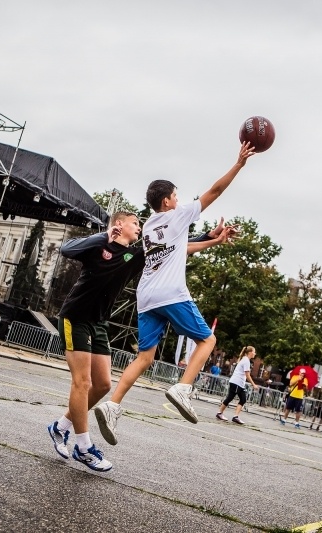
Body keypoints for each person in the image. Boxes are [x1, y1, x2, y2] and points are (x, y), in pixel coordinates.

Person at [92, 142, 256, 444]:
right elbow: (216, 191)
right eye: (176, 196)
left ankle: (112, 405)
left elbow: (182, 249)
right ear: (167, 201)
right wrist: (239, 164)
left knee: (144, 357)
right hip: (170, 293)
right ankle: (183, 388)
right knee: (208, 339)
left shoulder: (152, 226)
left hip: (146, 297)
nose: (179, 199)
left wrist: (213, 242)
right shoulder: (178, 215)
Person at [47, 211, 231, 471]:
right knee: (83, 382)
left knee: (101, 385)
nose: (139, 227)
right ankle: (84, 447)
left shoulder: (133, 256)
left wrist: (209, 237)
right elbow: (67, 248)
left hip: (99, 322)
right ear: (119, 225)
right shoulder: (98, 245)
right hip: (75, 317)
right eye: (135, 223)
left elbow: (176, 248)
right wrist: (103, 235)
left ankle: (60, 426)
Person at [216, 346, 259, 424]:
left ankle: (235, 417)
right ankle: (220, 413)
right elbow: (247, 374)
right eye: (254, 352)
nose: (255, 353)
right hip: (236, 382)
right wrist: (254, 384)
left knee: (243, 399)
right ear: (250, 353)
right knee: (230, 398)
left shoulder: (245, 360)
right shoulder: (246, 361)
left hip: (239, 383)